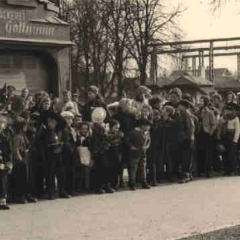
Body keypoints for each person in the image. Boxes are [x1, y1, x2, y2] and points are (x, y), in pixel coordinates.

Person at [10, 117, 37, 203]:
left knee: (27, 178)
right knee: (21, 178)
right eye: (25, 126)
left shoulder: (23, 136)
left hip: (26, 157)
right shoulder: (18, 136)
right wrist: (20, 160)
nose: (26, 127)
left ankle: (26, 194)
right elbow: (16, 149)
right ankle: (19, 196)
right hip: (20, 160)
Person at [127, 118, 151, 190]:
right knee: (133, 168)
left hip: (143, 153)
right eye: (147, 126)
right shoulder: (133, 132)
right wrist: (132, 146)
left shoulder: (147, 133)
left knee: (143, 167)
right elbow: (128, 141)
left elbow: (149, 141)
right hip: (135, 153)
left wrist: (146, 147)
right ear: (142, 126)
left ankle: (144, 182)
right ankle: (132, 183)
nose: (148, 127)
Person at [197, 96, 217, 178]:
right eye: (200, 101)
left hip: (206, 133)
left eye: (201, 101)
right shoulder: (197, 111)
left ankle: (207, 171)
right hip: (199, 133)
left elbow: (213, 124)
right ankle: (200, 171)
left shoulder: (209, 112)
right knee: (200, 152)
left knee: (207, 152)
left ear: (205, 102)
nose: (200, 102)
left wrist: (210, 132)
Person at [176, 100, 195, 183]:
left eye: (180, 105)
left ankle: (186, 175)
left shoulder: (186, 115)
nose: (178, 106)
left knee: (186, 158)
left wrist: (188, 137)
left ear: (183, 106)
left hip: (186, 139)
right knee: (184, 157)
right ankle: (188, 174)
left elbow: (190, 127)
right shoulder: (181, 114)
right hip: (183, 138)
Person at [60, 111, 78, 196]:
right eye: (67, 118)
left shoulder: (72, 129)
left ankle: (71, 189)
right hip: (65, 152)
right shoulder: (62, 129)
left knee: (72, 171)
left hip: (72, 151)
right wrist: (71, 150)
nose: (69, 120)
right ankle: (64, 190)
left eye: (71, 118)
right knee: (65, 172)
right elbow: (65, 142)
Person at [221, 103, 240, 175]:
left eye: (228, 111)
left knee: (233, 155)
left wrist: (235, 140)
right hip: (226, 136)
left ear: (231, 111)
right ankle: (227, 170)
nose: (227, 112)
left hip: (232, 136)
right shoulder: (225, 118)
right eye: (226, 111)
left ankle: (234, 170)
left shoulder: (235, 118)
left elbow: (237, 130)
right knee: (226, 154)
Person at [107, 119, 124, 190]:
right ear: (110, 127)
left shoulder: (120, 134)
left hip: (118, 154)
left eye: (118, 128)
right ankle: (111, 184)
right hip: (110, 154)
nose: (117, 129)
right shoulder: (108, 135)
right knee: (111, 169)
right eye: (115, 128)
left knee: (118, 170)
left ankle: (116, 184)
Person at [76, 122, 92, 193]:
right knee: (80, 171)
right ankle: (79, 187)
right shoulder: (77, 137)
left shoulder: (90, 137)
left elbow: (91, 147)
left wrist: (87, 138)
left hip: (87, 155)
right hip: (80, 154)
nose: (84, 130)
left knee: (87, 170)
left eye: (86, 129)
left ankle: (87, 187)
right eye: (82, 129)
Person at [0, 116, 12, 210]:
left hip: (2, 163)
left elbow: (9, 152)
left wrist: (9, 162)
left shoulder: (5, 138)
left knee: (3, 181)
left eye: (2, 123)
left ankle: (2, 201)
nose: (0, 125)